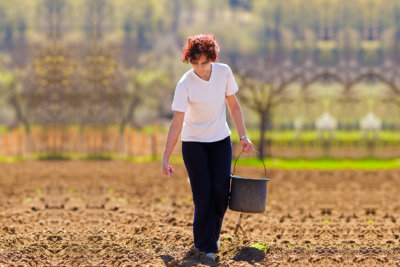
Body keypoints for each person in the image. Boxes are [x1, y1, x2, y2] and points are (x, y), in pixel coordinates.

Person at [161, 33, 254, 260]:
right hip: (194, 144)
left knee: (222, 193)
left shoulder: (224, 73)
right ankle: (206, 247)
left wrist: (243, 135)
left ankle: (212, 237)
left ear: (212, 58)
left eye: (204, 62)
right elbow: (177, 123)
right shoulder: (185, 84)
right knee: (203, 196)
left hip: (220, 141)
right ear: (189, 60)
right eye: (194, 62)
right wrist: (165, 157)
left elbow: (234, 106)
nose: (199, 68)